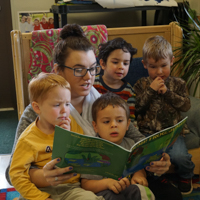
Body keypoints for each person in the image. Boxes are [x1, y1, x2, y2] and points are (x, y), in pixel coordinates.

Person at [6, 24, 171, 199]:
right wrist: (41, 176)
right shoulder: (38, 111)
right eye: (79, 69)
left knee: (170, 195)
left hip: (101, 184)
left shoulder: (102, 103)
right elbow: (12, 173)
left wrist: (156, 159)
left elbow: (137, 139)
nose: (88, 77)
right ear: (57, 70)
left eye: (92, 68)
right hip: (53, 190)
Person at [9, 73, 104, 200]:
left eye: (67, 104)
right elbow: (16, 174)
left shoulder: (71, 123)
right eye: (57, 105)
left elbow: (82, 151)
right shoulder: (28, 139)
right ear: (37, 107)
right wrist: (40, 198)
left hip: (71, 188)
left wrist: (68, 136)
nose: (65, 110)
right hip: (39, 189)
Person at [134, 35, 195, 195]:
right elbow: (138, 108)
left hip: (172, 133)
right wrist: (151, 90)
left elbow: (186, 105)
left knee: (181, 157)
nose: (159, 72)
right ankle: (157, 179)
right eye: (153, 66)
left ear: (172, 61)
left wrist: (167, 93)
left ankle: (185, 176)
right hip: (147, 134)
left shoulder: (179, 83)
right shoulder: (140, 84)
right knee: (147, 158)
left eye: (164, 65)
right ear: (144, 64)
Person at [81, 92, 155, 200]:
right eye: (106, 121)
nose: (114, 125)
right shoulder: (92, 150)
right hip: (105, 192)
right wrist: (107, 183)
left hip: (128, 188)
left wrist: (139, 175)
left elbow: (138, 167)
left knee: (140, 190)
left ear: (128, 124)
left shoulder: (131, 144)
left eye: (119, 120)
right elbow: (86, 184)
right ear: (95, 126)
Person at [93, 37, 137, 123]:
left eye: (125, 63)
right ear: (103, 63)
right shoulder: (93, 84)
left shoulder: (129, 92)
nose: (121, 67)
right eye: (115, 62)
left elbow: (130, 120)